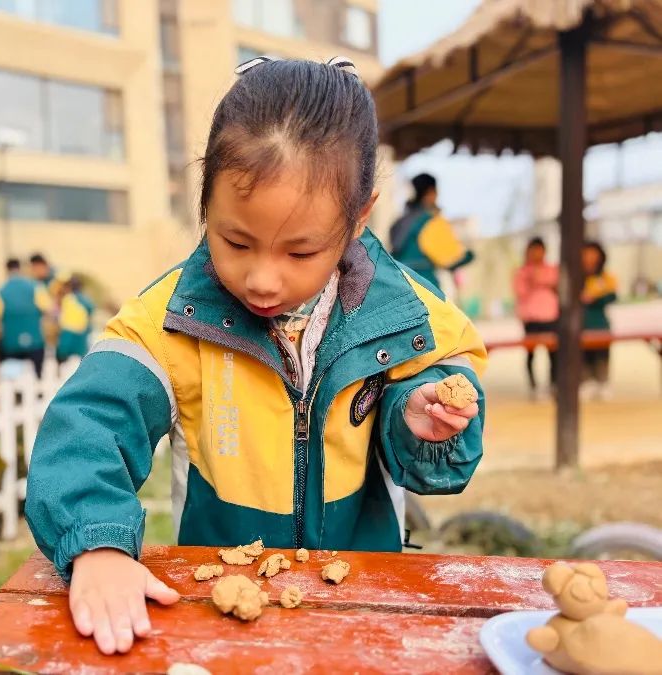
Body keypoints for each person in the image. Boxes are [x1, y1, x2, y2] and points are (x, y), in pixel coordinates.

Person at [25, 56, 487, 656]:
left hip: (364, 599)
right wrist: (98, 545)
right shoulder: (168, 320)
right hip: (220, 602)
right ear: (206, 201)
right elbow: (86, 426)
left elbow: (442, 426)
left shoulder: (410, 315)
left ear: (357, 218)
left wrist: (418, 420)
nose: (263, 280)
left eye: (300, 253)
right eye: (236, 241)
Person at [389, 172, 474, 291]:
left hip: (398, 285)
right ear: (430, 192)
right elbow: (450, 258)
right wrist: (469, 256)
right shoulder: (431, 221)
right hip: (423, 286)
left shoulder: (399, 223)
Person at [512, 237, 559, 396]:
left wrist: (544, 282)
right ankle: (533, 386)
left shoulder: (552, 269)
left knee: (553, 353)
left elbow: (557, 286)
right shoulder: (522, 272)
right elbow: (520, 292)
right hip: (531, 319)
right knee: (531, 353)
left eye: (540, 249)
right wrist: (532, 280)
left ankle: (554, 384)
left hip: (550, 317)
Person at [0, 258, 52, 378]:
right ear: (21, 269)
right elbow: (48, 309)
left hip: (10, 342)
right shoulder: (36, 287)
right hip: (35, 339)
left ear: (6, 270)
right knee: (38, 376)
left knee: (12, 379)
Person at [581, 241, 617, 400]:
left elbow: (612, 295)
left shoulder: (605, 277)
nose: (590, 257)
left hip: (600, 322)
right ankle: (586, 381)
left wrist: (595, 298)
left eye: (593, 254)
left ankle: (603, 382)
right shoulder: (578, 277)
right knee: (584, 354)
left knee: (602, 354)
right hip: (582, 323)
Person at [56, 274, 95, 363]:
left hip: (68, 329)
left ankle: (59, 368)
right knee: (82, 353)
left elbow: (62, 312)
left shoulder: (67, 298)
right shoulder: (85, 299)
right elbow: (90, 310)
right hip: (81, 329)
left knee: (62, 352)